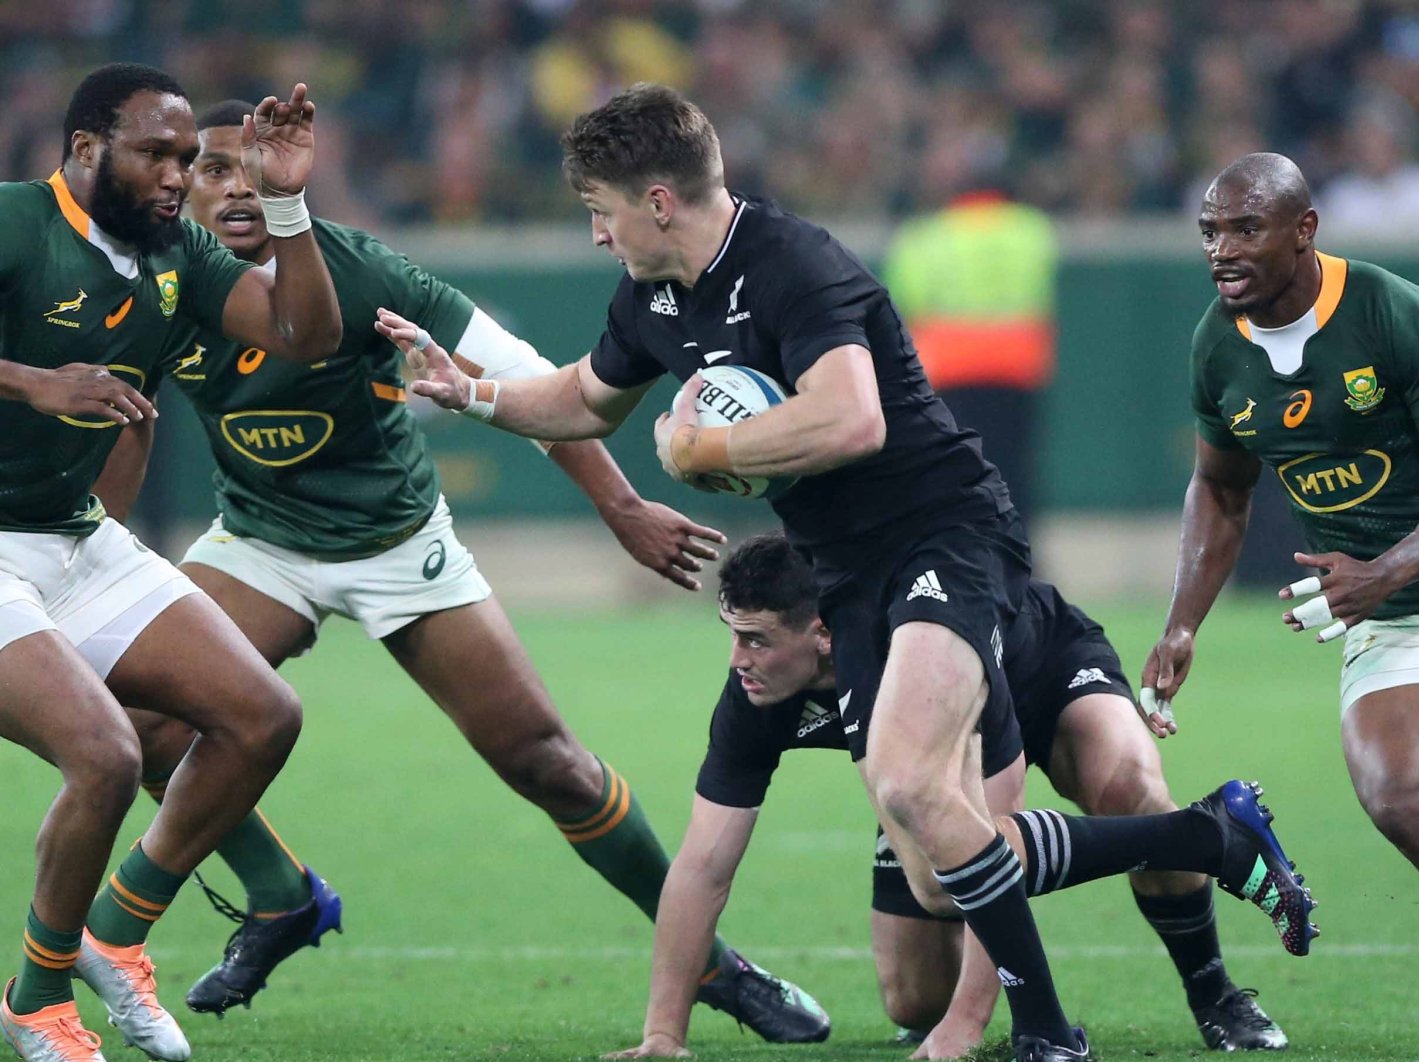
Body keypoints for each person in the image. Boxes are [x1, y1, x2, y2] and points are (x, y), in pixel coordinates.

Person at [400, 83, 1315, 1062]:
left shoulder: (792, 265)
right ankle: (1204, 837)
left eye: (599, 212)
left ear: (657, 202)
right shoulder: (651, 299)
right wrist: (474, 395)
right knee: (932, 873)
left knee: (918, 785)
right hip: (845, 578)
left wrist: (707, 454)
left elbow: (852, 418)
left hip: (943, 536)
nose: (595, 236)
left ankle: (1049, 1033)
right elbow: (584, 396)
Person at [90, 100, 828, 1046]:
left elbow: (536, 387)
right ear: (180, 184)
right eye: (211, 169)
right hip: (260, 543)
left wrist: (621, 506)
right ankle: (280, 895)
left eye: (249, 168)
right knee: (144, 720)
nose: (234, 187)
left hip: (399, 546)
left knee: (549, 765)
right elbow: (121, 412)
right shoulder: (161, 281)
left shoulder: (356, 270)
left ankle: (715, 967)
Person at [1142, 151, 1419, 1062]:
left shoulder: (1392, 310)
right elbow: (1220, 490)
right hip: (1395, 615)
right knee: (1401, 796)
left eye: (1244, 229)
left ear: (1304, 230)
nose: (1221, 250)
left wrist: (1383, 571)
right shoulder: (1216, 343)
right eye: (1209, 231)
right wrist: (1184, 620)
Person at [612, 532, 1293, 1059]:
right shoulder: (755, 696)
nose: (738, 660)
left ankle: (1215, 991)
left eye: (755, 640)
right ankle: (1202, 832)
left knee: (1130, 791)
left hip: (1041, 668)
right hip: (926, 758)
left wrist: (969, 1026)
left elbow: (996, 834)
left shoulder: (912, 662)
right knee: (913, 1002)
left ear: (823, 634)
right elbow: (702, 865)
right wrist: (663, 1032)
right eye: (734, 636)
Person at [0, 63, 343, 1062]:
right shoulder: (19, 225)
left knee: (261, 715)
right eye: (156, 153)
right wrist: (32, 382)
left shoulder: (175, 253)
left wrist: (286, 206)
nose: (176, 175)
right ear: (82, 150)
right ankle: (36, 1002)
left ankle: (109, 937)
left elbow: (306, 333)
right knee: (105, 754)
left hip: (73, 537)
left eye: (187, 159)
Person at [881, 186, 1056, 522]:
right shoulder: (1030, 230)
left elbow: (905, 304)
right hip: (1017, 370)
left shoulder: (924, 238)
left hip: (951, 372)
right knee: (1015, 472)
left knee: (957, 472)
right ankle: (1021, 554)